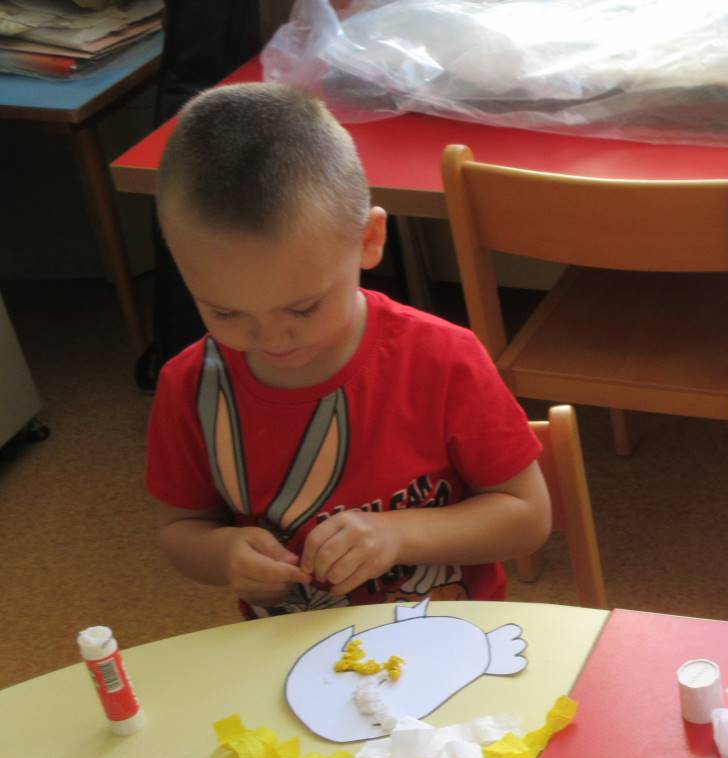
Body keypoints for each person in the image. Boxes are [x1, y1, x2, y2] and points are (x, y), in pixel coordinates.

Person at [146, 83, 551, 617]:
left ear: (369, 240)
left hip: (446, 636)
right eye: (225, 313)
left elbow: (527, 517)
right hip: (291, 645)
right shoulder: (189, 387)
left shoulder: (442, 358)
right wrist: (224, 555)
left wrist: (399, 535)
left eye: (303, 308)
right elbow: (180, 530)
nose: (272, 339)